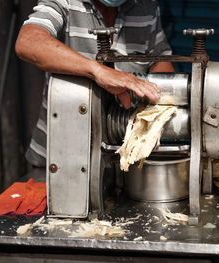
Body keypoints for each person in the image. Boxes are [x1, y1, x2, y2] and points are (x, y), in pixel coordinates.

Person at [15, 0, 175, 167]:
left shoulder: (144, 6)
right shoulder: (66, 2)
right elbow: (29, 41)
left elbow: (160, 61)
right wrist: (98, 71)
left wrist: (161, 102)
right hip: (58, 162)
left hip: (121, 163)